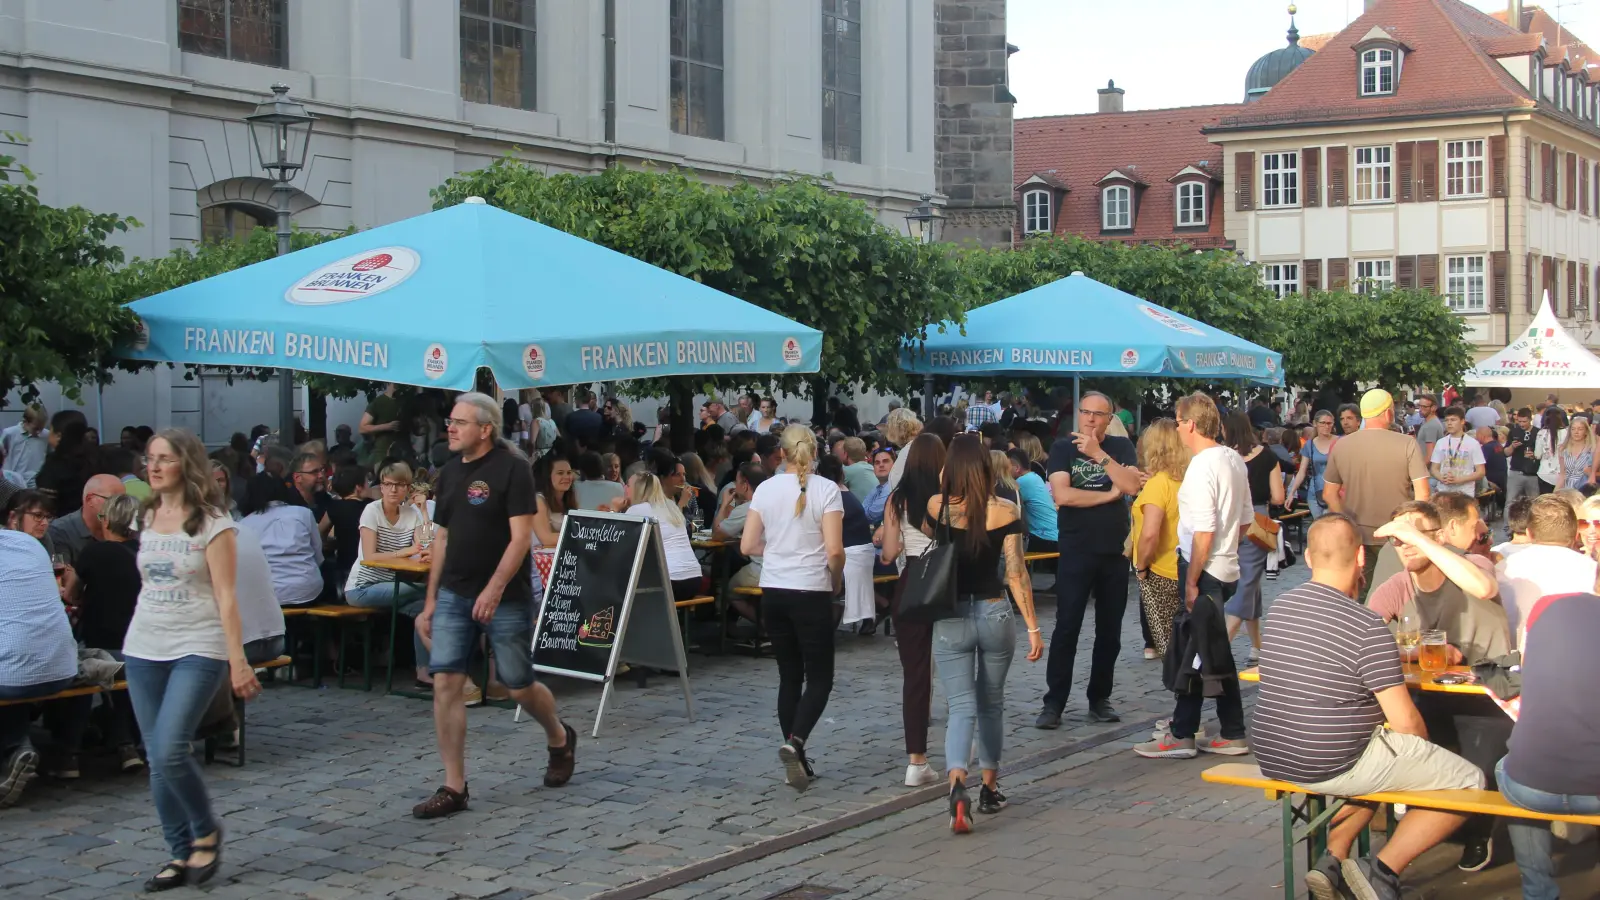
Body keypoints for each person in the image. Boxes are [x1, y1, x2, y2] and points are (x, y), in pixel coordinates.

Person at [1248, 514, 1483, 900]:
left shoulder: (1281, 609)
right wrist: (1423, 751)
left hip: (1274, 755)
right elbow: (1406, 722)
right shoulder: (1366, 626)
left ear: (1308, 558)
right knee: (1468, 782)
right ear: (1361, 558)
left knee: (1380, 757)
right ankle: (1382, 871)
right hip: (1330, 759)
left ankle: (1334, 857)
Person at [414, 393, 574, 819]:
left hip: (505, 596)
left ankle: (558, 736)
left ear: (485, 429)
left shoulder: (512, 469)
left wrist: (494, 589)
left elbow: (522, 538)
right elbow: (441, 540)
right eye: (450, 420)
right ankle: (454, 785)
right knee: (446, 681)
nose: (450, 427)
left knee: (518, 684)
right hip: (454, 592)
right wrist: (430, 602)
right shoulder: (447, 474)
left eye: (460, 422)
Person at [122, 428, 261, 890]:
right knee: (156, 757)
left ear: (187, 464)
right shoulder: (144, 516)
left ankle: (206, 828)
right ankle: (180, 852)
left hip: (197, 646)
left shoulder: (212, 522)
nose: (154, 467)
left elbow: (226, 597)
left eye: (165, 458)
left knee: (169, 747)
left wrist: (237, 662)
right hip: (144, 646)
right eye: (149, 458)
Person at [926, 435, 1044, 833]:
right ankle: (989, 789)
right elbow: (1015, 571)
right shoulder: (1005, 509)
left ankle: (957, 782)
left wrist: (946, 477)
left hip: (951, 618)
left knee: (960, 706)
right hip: (994, 612)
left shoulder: (937, 506)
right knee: (992, 703)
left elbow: (930, 532)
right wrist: (1032, 626)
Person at [1135, 393, 1252, 759]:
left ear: (1189, 424)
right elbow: (1244, 519)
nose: (1178, 428)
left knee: (1196, 649)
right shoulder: (1233, 459)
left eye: (1178, 421)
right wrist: (1227, 546)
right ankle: (1217, 730)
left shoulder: (1203, 466)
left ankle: (1186, 732)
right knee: (1207, 650)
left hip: (1205, 569)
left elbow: (1203, 530)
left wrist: (1192, 578)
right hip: (1224, 565)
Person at [739, 424, 845, 791]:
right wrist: (835, 580)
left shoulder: (765, 489)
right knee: (819, 676)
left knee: (789, 675)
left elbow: (747, 544)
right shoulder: (827, 490)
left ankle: (795, 754)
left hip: (774, 589)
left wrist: (780, 550)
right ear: (814, 452)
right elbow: (834, 550)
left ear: (780, 453)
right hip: (810, 589)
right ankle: (796, 741)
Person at [1037, 391, 1141, 728]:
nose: (1091, 419)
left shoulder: (1121, 448)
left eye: (1099, 414)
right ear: (1078, 414)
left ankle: (1100, 698)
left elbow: (1131, 487)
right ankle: (1054, 703)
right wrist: (1108, 494)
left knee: (1109, 630)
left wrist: (1098, 455)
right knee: (1067, 625)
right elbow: (1063, 495)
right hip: (1076, 548)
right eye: (1086, 412)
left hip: (1113, 550)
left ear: (1109, 419)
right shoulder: (1063, 448)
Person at [1496, 591, 1600, 900]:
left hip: (1530, 789)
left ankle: (1538, 892)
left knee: (1511, 766)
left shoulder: (1548, 606)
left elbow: (1527, 670)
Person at [1366, 498, 1510, 666]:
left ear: (1439, 537)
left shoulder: (1474, 564)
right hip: (1429, 688)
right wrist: (1420, 652)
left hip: (1487, 685)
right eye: (1397, 539)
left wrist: (1417, 538)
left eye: (1413, 535)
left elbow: (1484, 589)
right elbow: (1362, 645)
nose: (1405, 544)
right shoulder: (1395, 588)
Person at [878, 433, 946, 788]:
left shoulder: (896, 499)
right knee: (959, 668)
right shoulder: (948, 497)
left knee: (915, 675)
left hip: (912, 580)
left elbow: (888, 554)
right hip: (946, 580)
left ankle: (916, 760)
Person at [1322, 389, 1430, 597]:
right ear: (1388, 413)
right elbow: (1422, 494)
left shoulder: (1342, 445)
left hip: (1358, 531)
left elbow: (1329, 494)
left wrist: (1347, 520)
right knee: (1401, 592)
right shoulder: (1407, 444)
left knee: (1362, 591)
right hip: (1398, 532)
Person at [0, 530, 80, 809]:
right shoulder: (27, 543)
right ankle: (17, 745)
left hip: (15, 675)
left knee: (13, 666)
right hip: (63, 668)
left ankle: (13, 747)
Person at [1496, 494, 1596, 648]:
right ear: (1576, 534)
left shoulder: (1503, 568)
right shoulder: (1593, 571)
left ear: (1528, 533)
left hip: (1511, 662)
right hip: (1577, 661)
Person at [1225, 411, 1284, 666]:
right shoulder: (1268, 456)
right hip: (1257, 520)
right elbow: (1279, 498)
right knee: (1248, 582)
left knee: (1250, 585)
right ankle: (1220, 645)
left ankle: (1257, 647)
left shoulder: (1224, 456)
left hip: (1227, 519)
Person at [1130, 419, 1188, 661]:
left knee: (1170, 647)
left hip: (1160, 570)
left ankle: (1184, 693)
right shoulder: (1185, 480)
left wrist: (1141, 566)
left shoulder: (1158, 485)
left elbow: (1150, 532)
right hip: (1184, 565)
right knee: (1184, 642)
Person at [237, 473, 324, 607]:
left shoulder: (245, 523)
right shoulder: (303, 513)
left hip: (266, 593)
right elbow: (318, 556)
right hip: (308, 590)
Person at [625, 468, 704, 603]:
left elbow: (621, 542)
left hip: (671, 581)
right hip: (694, 579)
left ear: (637, 489)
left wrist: (614, 509)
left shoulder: (636, 510)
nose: (624, 488)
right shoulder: (671, 505)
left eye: (627, 485)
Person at [45, 474, 126, 566]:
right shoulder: (60, 531)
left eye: (123, 502)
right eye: (113, 501)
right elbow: (63, 576)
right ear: (90, 499)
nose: (119, 508)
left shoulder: (125, 527)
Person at [714, 463, 766, 599]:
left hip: (762, 569)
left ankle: (759, 620)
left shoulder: (748, 507)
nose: (734, 486)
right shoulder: (770, 501)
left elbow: (717, 534)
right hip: (781, 566)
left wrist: (725, 504)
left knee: (730, 590)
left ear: (745, 485)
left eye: (736, 482)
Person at [34, 411, 94, 517]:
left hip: (62, 526)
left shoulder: (55, 462)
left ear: (58, 435)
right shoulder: (96, 457)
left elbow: (45, 503)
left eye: (50, 429)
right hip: (94, 522)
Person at [1005, 447, 1057, 553]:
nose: (1004, 471)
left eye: (1006, 467)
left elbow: (1006, 506)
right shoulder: (1035, 477)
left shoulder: (1022, 482)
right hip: (1054, 537)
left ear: (1017, 468)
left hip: (1044, 539)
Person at [1287, 410, 1338, 517]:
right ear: (1315, 424)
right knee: (1318, 526)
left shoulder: (1340, 442)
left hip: (1335, 492)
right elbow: (1302, 472)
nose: (1326, 426)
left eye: (1329, 423)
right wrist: (1291, 493)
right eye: (1323, 423)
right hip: (1314, 492)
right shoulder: (1309, 445)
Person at [1428, 406, 1486, 497]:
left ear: (1462, 421)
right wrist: (1442, 478)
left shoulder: (1473, 443)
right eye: (1447, 420)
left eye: (1453, 420)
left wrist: (1459, 480)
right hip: (1444, 491)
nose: (1449, 423)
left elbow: (1481, 472)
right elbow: (1434, 468)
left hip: (1465, 493)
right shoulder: (1441, 442)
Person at [530, 455, 578, 550]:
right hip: (541, 561)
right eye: (560, 473)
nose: (566, 477)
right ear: (548, 477)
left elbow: (579, 529)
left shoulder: (570, 500)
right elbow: (546, 538)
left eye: (569, 473)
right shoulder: (539, 501)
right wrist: (580, 538)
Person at [0, 404, 49, 487]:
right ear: (25, 421)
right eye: (36, 428)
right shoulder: (10, 434)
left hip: (36, 484)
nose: (39, 432)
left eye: (41, 428)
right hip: (14, 483)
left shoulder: (46, 435)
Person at [1506, 407, 1542, 509]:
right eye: (1519, 421)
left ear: (1530, 419)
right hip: (1516, 472)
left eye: (1524, 421)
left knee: (1534, 504)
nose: (1521, 424)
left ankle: (1533, 525)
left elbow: (1544, 454)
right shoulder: (1513, 432)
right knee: (1510, 502)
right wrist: (1512, 446)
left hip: (1533, 474)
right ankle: (1507, 525)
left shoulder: (1538, 433)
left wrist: (1534, 455)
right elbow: (1505, 453)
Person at [358, 383, 403, 466]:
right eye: (396, 383)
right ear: (388, 383)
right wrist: (387, 426)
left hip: (403, 453)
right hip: (383, 454)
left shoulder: (404, 401)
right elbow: (362, 428)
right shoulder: (378, 402)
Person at [1555, 412, 1596, 492]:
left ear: (1586, 431)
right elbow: (1562, 475)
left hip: (1584, 490)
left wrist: (1590, 473)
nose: (1576, 432)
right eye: (1573, 429)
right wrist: (1554, 494)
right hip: (1567, 490)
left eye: (1580, 429)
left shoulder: (1592, 450)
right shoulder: (1563, 449)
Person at [1533, 406, 1568, 494]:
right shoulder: (1567, 432)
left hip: (1544, 473)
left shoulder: (1541, 433)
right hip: (1562, 473)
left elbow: (1537, 455)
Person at [862, 447, 894, 526]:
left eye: (885, 461)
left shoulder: (891, 487)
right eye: (877, 463)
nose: (881, 465)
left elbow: (870, 515)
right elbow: (862, 511)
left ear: (895, 465)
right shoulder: (878, 488)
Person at [1414, 394, 1444, 461]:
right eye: (1420, 406)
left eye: (1424, 407)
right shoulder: (1427, 422)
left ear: (1434, 408)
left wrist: (1420, 469)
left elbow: (1430, 456)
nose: (1420, 409)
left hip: (1427, 469)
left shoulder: (1431, 426)